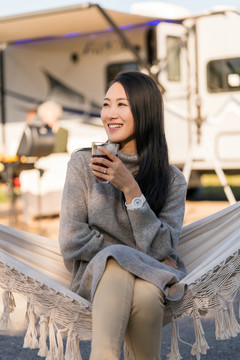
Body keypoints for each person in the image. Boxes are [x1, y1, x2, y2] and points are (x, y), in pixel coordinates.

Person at [59, 71, 187, 360]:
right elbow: (71, 239)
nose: (110, 114)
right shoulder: (83, 164)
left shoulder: (172, 179)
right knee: (115, 260)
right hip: (97, 276)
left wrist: (130, 188)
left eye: (121, 104)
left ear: (145, 110)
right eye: (106, 104)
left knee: (145, 293)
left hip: (150, 279)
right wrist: (129, 254)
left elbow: (164, 246)